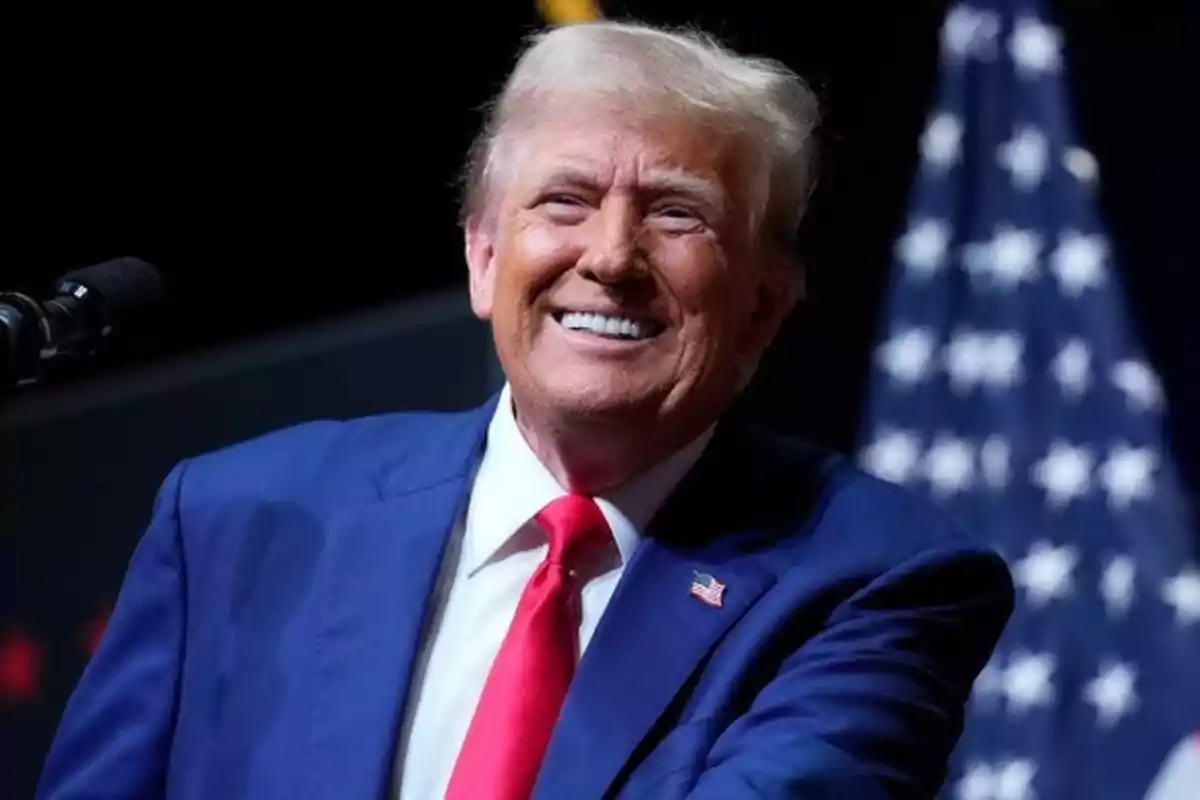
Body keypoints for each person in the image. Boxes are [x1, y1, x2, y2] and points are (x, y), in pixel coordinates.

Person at [37, 19, 1014, 800]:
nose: (611, 256)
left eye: (677, 212)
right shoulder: (235, 515)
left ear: (762, 302)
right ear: (483, 257)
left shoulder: (877, 574)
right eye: (564, 201)